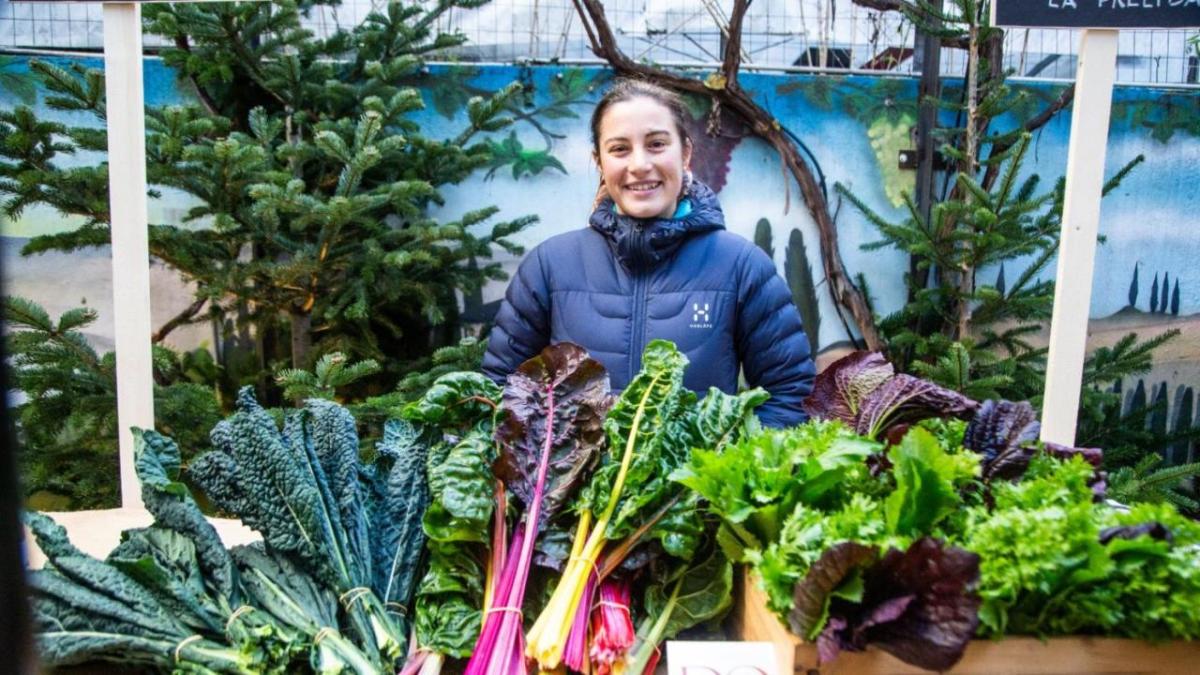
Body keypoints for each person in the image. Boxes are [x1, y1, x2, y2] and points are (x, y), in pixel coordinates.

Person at [481, 78, 815, 427]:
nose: (639, 165)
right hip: (573, 483)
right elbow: (500, 390)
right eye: (619, 149)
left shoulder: (742, 267)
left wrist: (730, 472)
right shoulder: (549, 266)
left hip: (696, 482)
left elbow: (790, 394)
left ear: (685, 153)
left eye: (656, 144)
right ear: (599, 160)